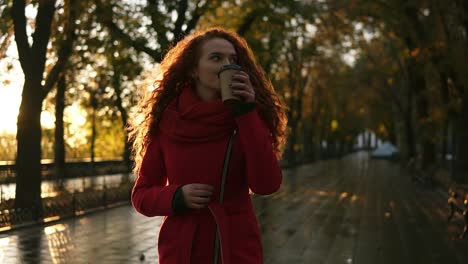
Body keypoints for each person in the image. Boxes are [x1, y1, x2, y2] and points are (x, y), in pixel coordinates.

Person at [129, 27, 287, 264]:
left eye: (233, 60)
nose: (227, 65)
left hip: (236, 248)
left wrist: (246, 113)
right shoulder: (168, 122)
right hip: (182, 250)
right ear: (194, 69)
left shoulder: (248, 120)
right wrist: (176, 196)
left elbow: (266, 184)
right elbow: (141, 195)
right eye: (216, 58)